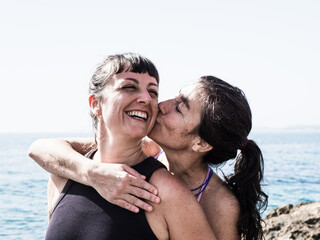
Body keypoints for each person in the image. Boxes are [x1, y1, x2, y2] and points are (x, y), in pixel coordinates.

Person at [29, 69, 268, 239]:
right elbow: (41, 149)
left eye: (179, 107)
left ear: (201, 143)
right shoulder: (147, 150)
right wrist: (92, 173)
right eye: (175, 96)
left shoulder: (220, 204)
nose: (161, 104)